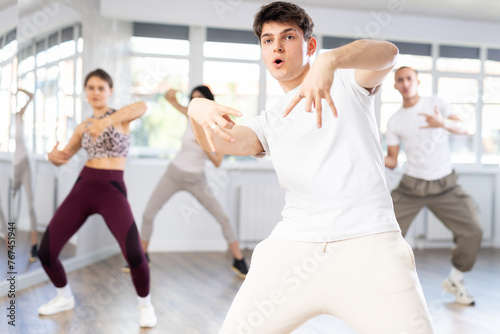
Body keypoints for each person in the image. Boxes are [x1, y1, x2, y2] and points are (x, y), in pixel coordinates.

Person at [187, 2, 434, 333]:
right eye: (267, 39)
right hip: (294, 251)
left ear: (310, 46)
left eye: (288, 37)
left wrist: (332, 60)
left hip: (370, 246)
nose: (276, 46)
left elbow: (388, 53)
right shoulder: (269, 122)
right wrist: (195, 109)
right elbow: (220, 142)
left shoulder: (348, 82)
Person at [37, 69, 157, 328]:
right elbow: (65, 156)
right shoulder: (83, 126)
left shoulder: (121, 117)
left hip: (112, 188)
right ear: (85, 92)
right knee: (46, 250)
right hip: (85, 186)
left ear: (109, 91)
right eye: (91, 88)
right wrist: (53, 157)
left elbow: (142, 106)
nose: (95, 92)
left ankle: (145, 305)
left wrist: (106, 121)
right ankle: (63, 297)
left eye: (101, 88)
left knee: (135, 253)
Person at [122, 86, 248, 278]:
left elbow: (217, 162)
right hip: (174, 174)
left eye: (199, 99)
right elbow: (173, 101)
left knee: (223, 217)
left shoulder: (217, 128)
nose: (194, 104)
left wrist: (204, 144)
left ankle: (238, 260)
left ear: (209, 102)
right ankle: (142, 257)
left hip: (196, 180)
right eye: (192, 99)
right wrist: (170, 95)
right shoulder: (191, 117)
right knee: (149, 214)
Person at [385, 66, 483, 306]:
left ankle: (456, 280)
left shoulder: (435, 103)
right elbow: (392, 160)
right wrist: (370, 155)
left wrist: (442, 123)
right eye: (400, 80)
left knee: (473, 230)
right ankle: (385, 287)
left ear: (417, 81)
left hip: (445, 185)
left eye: (409, 78)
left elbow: (464, 129)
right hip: (411, 187)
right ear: (395, 85)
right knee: (384, 234)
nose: (405, 83)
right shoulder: (395, 120)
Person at [14, 88, 38, 261]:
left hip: (25, 163)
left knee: (31, 207)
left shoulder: (18, 116)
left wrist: (19, 89)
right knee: (4, 204)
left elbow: (31, 97)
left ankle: (34, 247)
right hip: (12, 166)